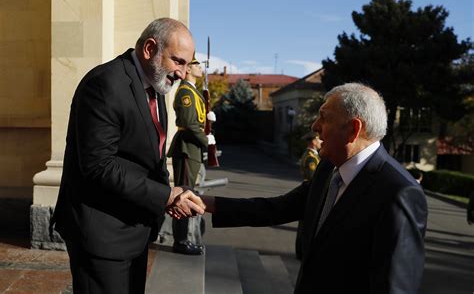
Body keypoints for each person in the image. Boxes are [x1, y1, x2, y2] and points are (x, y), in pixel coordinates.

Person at [197, 83, 428, 293]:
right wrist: (207, 203)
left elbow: (395, 287)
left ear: (353, 130)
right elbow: (279, 208)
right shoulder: (329, 167)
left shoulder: (398, 193)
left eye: (324, 118)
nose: (314, 126)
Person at [51, 18, 206, 294]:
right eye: (179, 62)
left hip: (133, 228)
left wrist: (169, 194)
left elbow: (150, 157)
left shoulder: (156, 86)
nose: (183, 73)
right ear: (149, 48)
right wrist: (166, 196)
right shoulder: (105, 84)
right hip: (100, 234)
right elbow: (99, 166)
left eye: (187, 64)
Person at [167, 54, 215, 255]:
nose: (200, 67)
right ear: (187, 70)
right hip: (187, 149)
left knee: (189, 192)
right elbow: (188, 123)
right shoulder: (186, 92)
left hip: (192, 149)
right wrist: (206, 140)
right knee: (184, 195)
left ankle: (184, 239)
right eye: (196, 64)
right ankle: (181, 241)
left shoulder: (194, 92)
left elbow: (197, 120)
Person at [295, 131, 322, 259]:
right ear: (313, 141)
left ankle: (301, 250)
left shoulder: (312, 154)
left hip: (307, 190)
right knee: (305, 223)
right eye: (318, 139)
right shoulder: (311, 157)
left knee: (304, 223)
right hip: (309, 191)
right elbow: (313, 177)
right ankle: (301, 251)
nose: (321, 141)